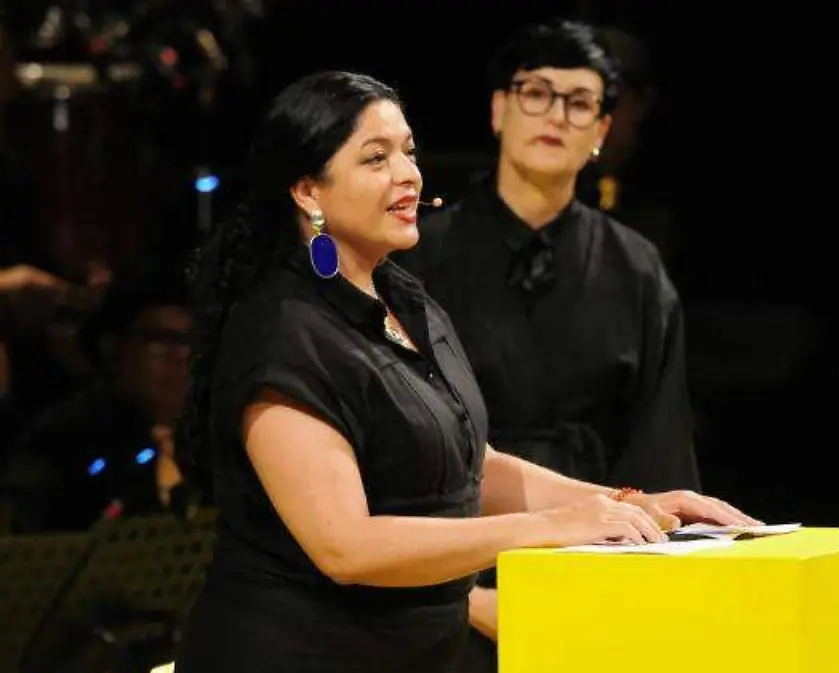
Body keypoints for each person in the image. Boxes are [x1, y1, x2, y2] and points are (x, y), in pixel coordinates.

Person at [171, 70, 756, 673]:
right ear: (307, 191)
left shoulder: (407, 301)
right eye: (376, 158)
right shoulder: (281, 331)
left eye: (409, 151)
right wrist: (550, 527)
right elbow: (346, 547)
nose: (408, 174)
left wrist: (627, 503)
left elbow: (472, 466)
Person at [390, 21, 701, 669]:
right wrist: (459, 596)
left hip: (599, 569)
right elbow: (388, 443)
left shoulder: (636, 269)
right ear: (498, 109)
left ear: (602, 130)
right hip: (445, 576)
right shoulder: (417, 259)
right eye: (536, 92)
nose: (556, 115)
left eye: (579, 102)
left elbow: (659, 442)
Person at [0, 267, 194, 533]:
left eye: (190, 340)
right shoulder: (67, 437)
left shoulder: (213, 432)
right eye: (162, 340)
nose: (182, 355)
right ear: (114, 349)